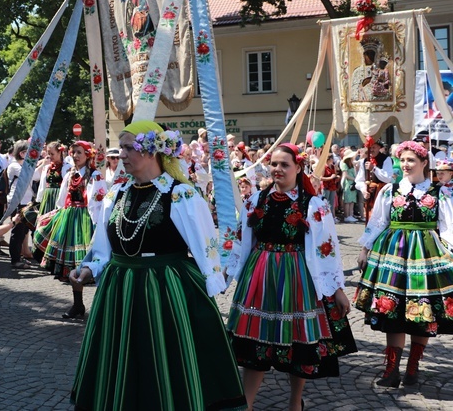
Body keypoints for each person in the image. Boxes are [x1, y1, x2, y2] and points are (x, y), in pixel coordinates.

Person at [69, 120, 246, 410]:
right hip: (119, 289)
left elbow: (206, 248)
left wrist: (212, 288)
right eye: (122, 148)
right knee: (120, 356)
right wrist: (89, 268)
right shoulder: (117, 193)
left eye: (128, 148)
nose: (121, 155)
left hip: (167, 290)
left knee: (164, 355)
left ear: (151, 151)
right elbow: (103, 246)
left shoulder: (181, 195)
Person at [226, 143, 356, 411]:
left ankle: (295, 402)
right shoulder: (255, 200)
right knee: (255, 341)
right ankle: (247, 404)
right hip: (260, 276)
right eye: (273, 164)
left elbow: (327, 248)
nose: (277, 169)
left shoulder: (313, 204)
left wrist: (337, 289)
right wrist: (227, 275)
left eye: (284, 164)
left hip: (297, 275)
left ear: (298, 168)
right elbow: (241, 241)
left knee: (298, 342)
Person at [354, 141, 453, 387]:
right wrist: (365, 249)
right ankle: (391, 370)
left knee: (422, 311)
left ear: (423, 163)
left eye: (411, 160)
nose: (405, 165)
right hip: (393, 254)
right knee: (393, 310)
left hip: (426, 255)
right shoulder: (390, 190)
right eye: (403, 160)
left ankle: (413, 367)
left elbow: (449, 227)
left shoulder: (439, 192)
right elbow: (377, 222)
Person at [35, 141, 107, 318]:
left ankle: (103, 304)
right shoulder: (70, 174)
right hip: (70, 219)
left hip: (88, 220)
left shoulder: (95, 176)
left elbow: (100, 202)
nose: (75, 156)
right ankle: (78, 304)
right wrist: (54, 215)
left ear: (88, 155)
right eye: (73, 152)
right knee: (73, 264)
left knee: (94, 262)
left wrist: (99, 225)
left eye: (79, 153)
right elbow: (62, 200)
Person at [5, 140, 33, 268]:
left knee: (23, 231)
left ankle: (19, 256)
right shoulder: (14, 165)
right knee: (17, 231)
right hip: (17, 202)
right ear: (21, 153)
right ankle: (15, 260)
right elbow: (27, 176)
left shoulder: (24, 165)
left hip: (26, 201)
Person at [355, 139, 393, 222]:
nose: (371, 150)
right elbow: (359, 181)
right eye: (369, 147)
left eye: (374, 147)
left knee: (382, 219)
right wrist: (364, 190)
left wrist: (374, 169)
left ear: (379, 147)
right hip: (370, 195)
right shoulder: (363, 161)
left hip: (382, 193)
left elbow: (387, 178)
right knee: (370, 219)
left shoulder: (386, 159)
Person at [35, 141, 70, 216]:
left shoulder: (67, 167)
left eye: (52, 154)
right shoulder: (47, 167)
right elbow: (40, 182)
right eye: (48, 153)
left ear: (59, 152)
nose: (50, 156)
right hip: (47, 198)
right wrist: (40, 199)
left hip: (59, 197)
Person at [340, 149, 358, 223]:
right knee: (347, 201)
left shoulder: (351, 163)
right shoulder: (344, 163)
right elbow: (345, 175)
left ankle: (351, 215)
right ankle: (346, 216)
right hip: (348, 183)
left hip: (353, 182)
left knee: (352, 200)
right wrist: (354, 179)